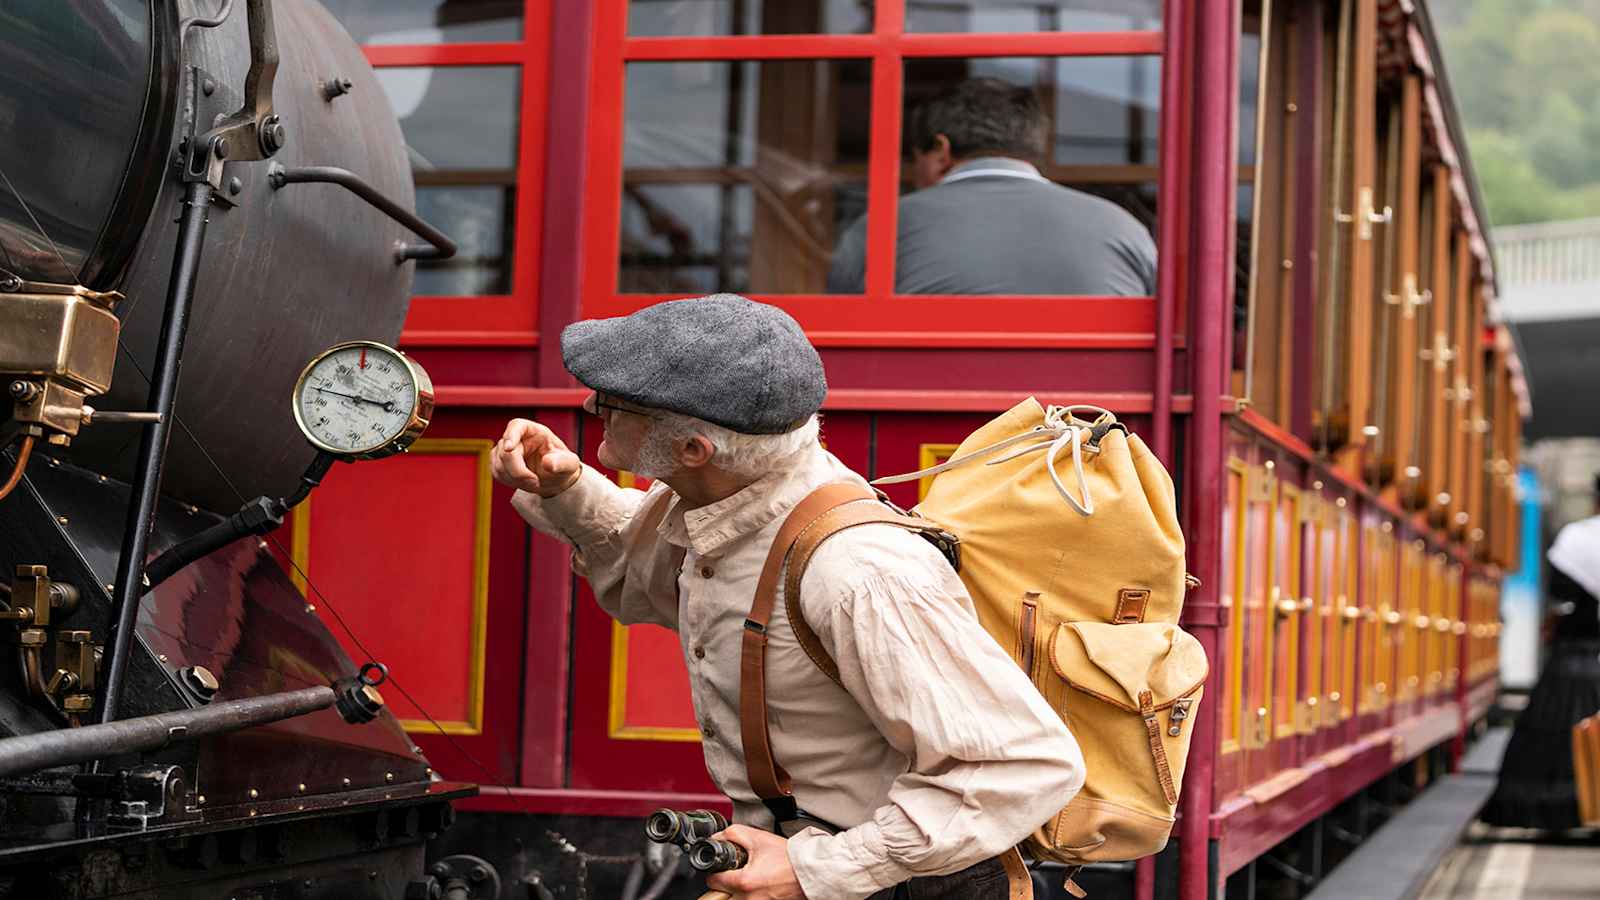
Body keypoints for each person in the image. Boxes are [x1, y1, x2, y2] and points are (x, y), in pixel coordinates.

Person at [492, 294, 1083, 900]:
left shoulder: (860, 571)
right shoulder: (725, 502)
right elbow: (654, 577)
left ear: (695, 451)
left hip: (898, 884)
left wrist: (817, 871)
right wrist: (566, 489)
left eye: (614, 403)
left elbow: (1020, 765)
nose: (591, 406)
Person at [826, 77, 1157, 296]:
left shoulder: (884, 227)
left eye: (916, 161)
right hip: (1084, 403)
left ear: (941, 151)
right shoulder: (1122, 226)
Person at [1480, 477, 1600, 830]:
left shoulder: (1577, 540)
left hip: (1572, 657)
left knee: (1554, 732)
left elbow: (1561, 594)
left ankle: (1557, 812)